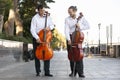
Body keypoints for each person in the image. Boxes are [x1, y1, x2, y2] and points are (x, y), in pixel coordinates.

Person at [64, 6, 90, 78]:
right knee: (71, 55)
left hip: (78, 38)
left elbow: (88, 26)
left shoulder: (81, 18)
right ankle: (73, 72)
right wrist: (68, 39)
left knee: (79, 56)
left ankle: (80, 72)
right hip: (70, 38)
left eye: (70, 12)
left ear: (75, 11)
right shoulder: (67, 19)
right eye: (68, 12)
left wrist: (80, 26)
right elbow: (66, 30)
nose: (69, 13)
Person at [30, 5, 54, 77]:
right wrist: (37, 38)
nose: (43, 12)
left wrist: (48, 27)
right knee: (37, 55)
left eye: (43, 10)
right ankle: (38, 71)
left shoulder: (48, 17)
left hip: (46, 38)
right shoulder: (35, 18)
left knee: (47, 54)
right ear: (38, 10)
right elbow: (32, 29)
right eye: (41, 10)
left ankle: (47, 71)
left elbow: (52, 25)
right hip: (37, 37)